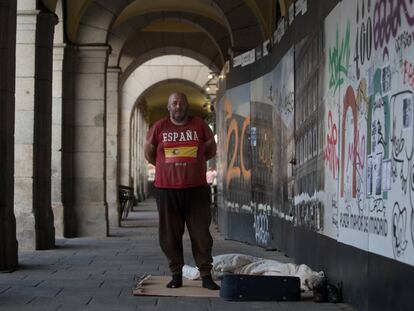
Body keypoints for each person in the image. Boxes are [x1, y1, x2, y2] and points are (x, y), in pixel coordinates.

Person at [144, 92, 220, 290]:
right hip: (167, 190)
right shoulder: (159, 127)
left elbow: (211, 149)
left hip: (196, 190)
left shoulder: (200, 125)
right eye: (174, 103)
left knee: (201, 233)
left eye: (181, 103)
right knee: (169, 235)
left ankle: (205, 275)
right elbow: (150, 153)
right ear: (169, 107)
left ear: (187, 106)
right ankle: (176, 274)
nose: (178, 106)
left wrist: (194, 165)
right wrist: (165, 167)